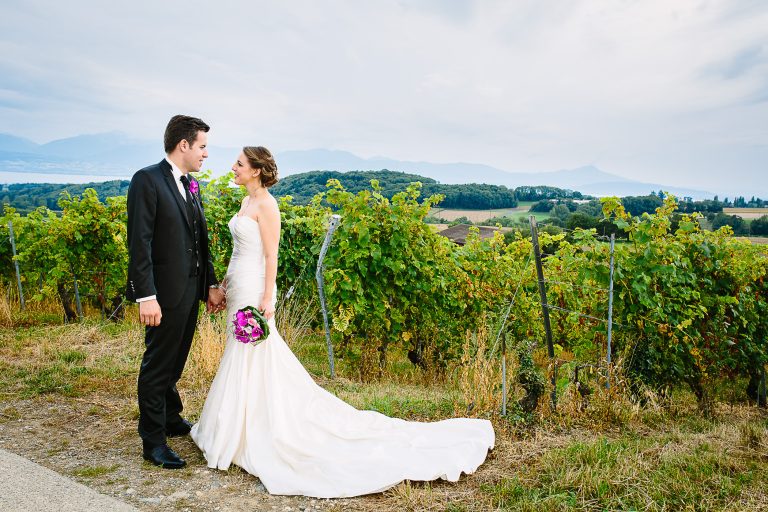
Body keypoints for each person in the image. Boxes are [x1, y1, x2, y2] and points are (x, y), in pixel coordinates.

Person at [191, 146, 494, 498]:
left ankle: (252, 430)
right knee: (241, 353)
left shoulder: (267, 205)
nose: (233, 167)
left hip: (257, 288)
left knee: (257, 354)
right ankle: (234, 426)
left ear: (256, 170)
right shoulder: (245, 203)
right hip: (239, 284)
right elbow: (239, 251)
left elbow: (271, 254)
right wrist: (224, 285)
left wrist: (266, 299)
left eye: (239, 164)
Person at [126, 115, 226, 469]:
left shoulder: (190, 184)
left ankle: (171, 415)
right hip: (162, 294)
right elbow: (139, 243)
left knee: (177, 359)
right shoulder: (147, 180)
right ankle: (153, 441)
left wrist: (211, 284)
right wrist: (146, 295)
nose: (206, 154)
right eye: (202, 146)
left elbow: (200, 241)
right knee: (158, 364)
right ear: (183, 145)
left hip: (189, 291)